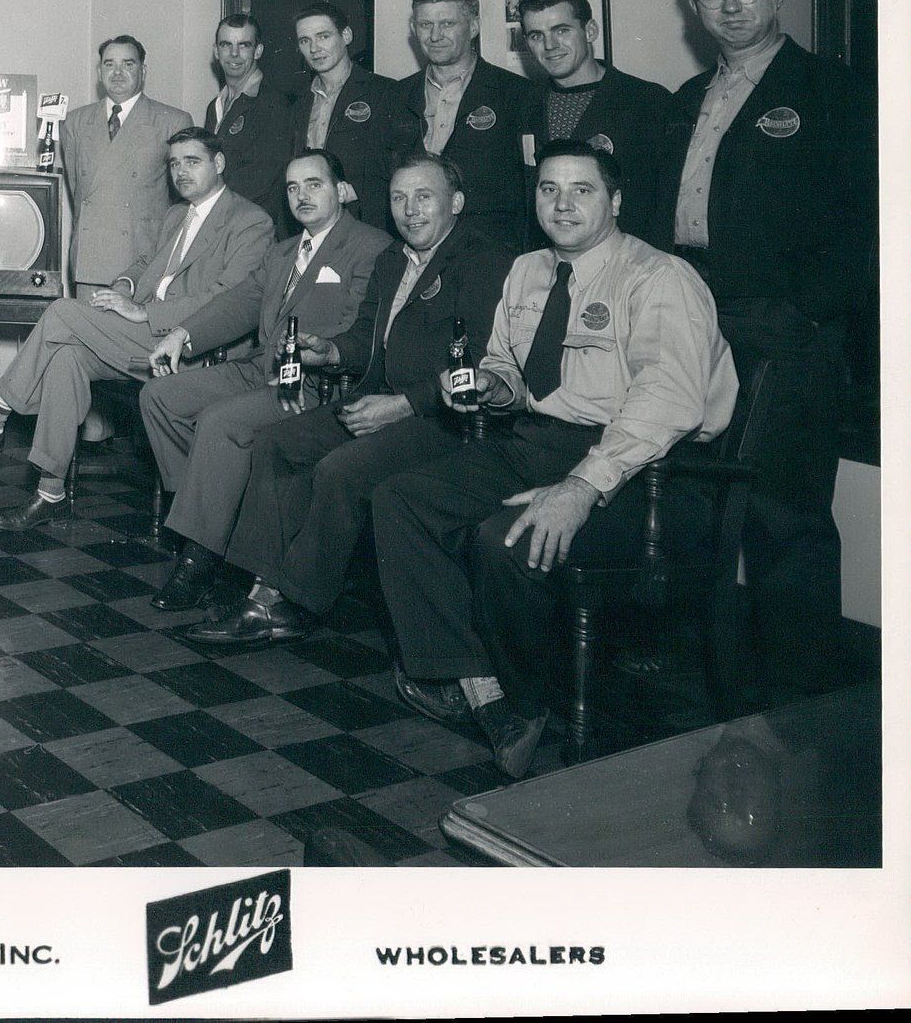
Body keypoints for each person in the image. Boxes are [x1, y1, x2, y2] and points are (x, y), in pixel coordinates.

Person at [373, 142, 737, 778]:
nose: (562, 205)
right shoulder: (527, 270)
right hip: (536, 441)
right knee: (400, 499)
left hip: (641, 468)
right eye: (548, 190)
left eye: (581, 190)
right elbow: (510, 367)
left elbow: (665, 402)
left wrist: (581, 487)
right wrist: (492, 385)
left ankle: (527, 702)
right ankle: (478, 683)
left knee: (506, 538)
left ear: (615, 201)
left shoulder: (660, 278)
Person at [657, 0, 875, 699]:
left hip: (787, 334)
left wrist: (806, 315)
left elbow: (869, 220)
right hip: (698, 321)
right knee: (701, 503)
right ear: (694, 7)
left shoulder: (834, 90)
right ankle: (721, 683)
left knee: (786, 517)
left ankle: (801, 700)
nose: (730, 6)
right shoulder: (687, 98)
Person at [178, 151, 514, 647]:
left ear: (456, 203)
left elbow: (480, 361)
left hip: (442, 416)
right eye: (398, 198)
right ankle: (261, 589)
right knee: (276, 443)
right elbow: (364, 338)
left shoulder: (484, 260)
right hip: (373, 397)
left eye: (424, 197)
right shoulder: (393, 259)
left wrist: (403, 405)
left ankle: (296, 602)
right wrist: (331, 351)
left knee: (340, 469)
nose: (410, 210)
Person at [0, 128, 272, 533]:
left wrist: (143, 312)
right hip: (146, 338)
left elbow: (228, 300)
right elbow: (146, 264)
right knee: (66, 357)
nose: (181, 172)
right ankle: (50, 494)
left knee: (62, 312)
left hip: (191, 347)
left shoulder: (250, 221)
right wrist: (123, 286)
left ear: (219, 163)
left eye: (192, 161)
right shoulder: (177, 215)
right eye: (175, 163)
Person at [137, 149, 390, 610]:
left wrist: (323, 354)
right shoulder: (283, 251)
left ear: (342, 190)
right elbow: (241, 302)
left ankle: (200, 554)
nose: (301, 196)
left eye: (314, 184)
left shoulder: (370, 247)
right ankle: (212, 510)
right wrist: (182, 334)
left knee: (221, 422)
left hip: (315, 384)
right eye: (293, 187)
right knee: (159, 396)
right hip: (262, 369)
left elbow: (362, 331)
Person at [514, 0, 670, 244]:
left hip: (625, 256)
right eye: (536, 36)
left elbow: (663, 202)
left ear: (590, 31)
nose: (550, 45)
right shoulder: (523, 104)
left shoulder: (646, 100)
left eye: (562, 31)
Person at [393, 0, 534, 248]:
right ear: (413, 28)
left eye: (447, 24)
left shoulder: (515, 93)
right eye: (425, 25)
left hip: (491, 250)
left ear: (473, 27)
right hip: (412, 248)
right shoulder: (395, 96)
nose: (435, 36)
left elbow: (529, 189)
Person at [59, 35, 195, 300]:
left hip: (142, 260)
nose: (117, 72)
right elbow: (78, 189)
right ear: (99, 72)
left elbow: (182, 203)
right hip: (91, 260)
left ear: (143, 71)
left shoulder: (172, 121)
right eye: (109, 64)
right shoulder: (75, 122)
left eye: (128, 64)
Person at [285, 2, 409, 234]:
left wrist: (356, 194)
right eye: (305, 41)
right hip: (313, 223)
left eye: (323, 36)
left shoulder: (384, 92)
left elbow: (400, 168)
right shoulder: (299, 103)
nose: (314, 48)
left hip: (366, 223)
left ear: (346, 36)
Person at [201, 14, 296, 233]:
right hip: (220, 224)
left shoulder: (273, 103)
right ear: (216, 51)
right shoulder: (215, 106)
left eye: (244, 45)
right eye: (226, 45)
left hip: (252, 227)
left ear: (258, 51)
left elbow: (262, 178)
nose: (234, 54)